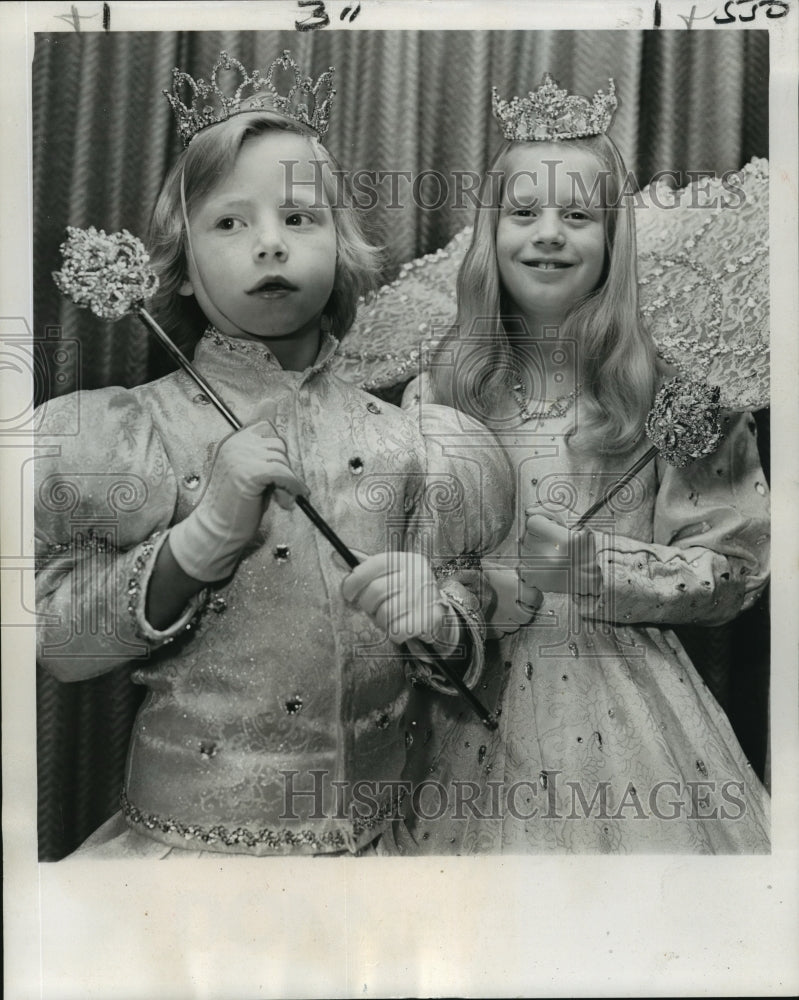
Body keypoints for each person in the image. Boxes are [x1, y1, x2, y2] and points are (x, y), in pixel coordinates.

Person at [34, 52, 513, 858]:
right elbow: (59, 648)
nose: (269, 246)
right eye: (229, 222)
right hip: (191, 862)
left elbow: (465, 644)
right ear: (181, 270)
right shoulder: (133, 435)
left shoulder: (407, 439)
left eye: (299, 218)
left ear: (343, 249)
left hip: (372, 857)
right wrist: (202, 538)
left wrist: (442, 618)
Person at [397, 74, 771, 853]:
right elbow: (403, 555)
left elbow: (735, 567)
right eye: (523, 212)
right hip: (464, 692)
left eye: (578, 216)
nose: (548, 234)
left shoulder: (676, 390)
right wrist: (466, 590)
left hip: (620, 706)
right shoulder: (437, 387)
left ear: (613, 239)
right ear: (488, 233)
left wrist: (593, 564)